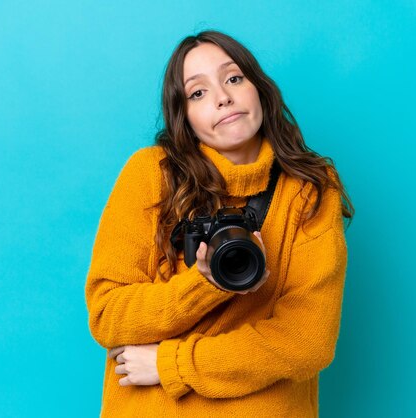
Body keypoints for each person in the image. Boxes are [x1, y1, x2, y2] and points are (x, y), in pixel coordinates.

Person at [85, 30, 354, 417]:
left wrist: (168, 363)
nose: (222, 97)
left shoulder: (309, 188)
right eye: (198, 93)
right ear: (185, 117)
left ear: (258, 88)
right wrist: (205, 285)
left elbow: (306, 340)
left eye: (233, 78)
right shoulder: (151, 174)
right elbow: (108, 315)